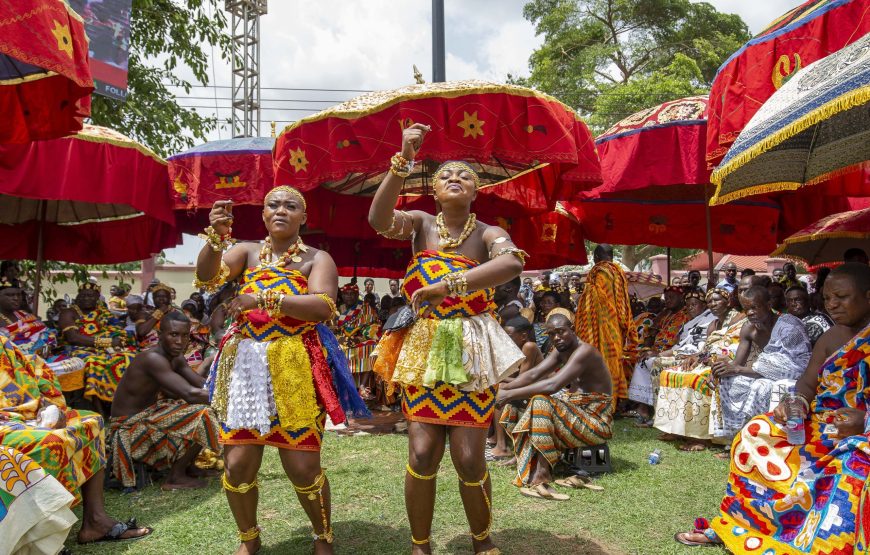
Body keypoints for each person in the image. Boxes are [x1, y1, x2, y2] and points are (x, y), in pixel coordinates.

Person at [369, 123, 525, 555]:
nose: (455, 178)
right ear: (433, 191)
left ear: (476, 191)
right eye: (445, 176)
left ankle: (483, 541)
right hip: (424, 349)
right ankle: (420, 545)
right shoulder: (419, 225)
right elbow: (379, 220)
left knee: (470, 457)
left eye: (465, 176)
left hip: (471, 351)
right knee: (421, 454)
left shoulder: (488, 233)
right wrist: (403, 160)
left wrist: (448, 287)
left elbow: (512, 263)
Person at [193, 188, 367, 554]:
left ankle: (322, 536)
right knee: (238, 464)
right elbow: (208, 277)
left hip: (295, 365)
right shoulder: (246, 252)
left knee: (303, 466)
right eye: (273, 205)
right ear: (263, 214)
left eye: (291, 206)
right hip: (246, 367)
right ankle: (249, 539)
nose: (281, 211)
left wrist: (264, 298)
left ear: (304, 217)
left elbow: (322, 307)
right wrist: (215, 238)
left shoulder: (317, 259)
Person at [675, 262, 870, 551]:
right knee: (755, 433)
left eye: (841, 297)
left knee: (852, 465)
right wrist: (798, 402)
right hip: (822, 423)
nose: (832, 305)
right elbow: (807, 382)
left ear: (868, 295)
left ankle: (815, 540)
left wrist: (864, 422)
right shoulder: (831, 338)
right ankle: (739, 524)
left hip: (860, 435)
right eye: (828, 298)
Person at [0, 335, 152, 544]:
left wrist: (47, 406)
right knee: (51, 442)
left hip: (21, 414)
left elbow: (25, 368)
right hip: (6, 421)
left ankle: (94, 521)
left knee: (91, 421)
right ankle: (43, 537)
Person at [497, 313, 613, 500]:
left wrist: (508, 393)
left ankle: (542, 473)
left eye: (561, 332)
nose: (556, 338)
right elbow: (533, 375)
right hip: (575, 417)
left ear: (573, 330)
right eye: (551, 334)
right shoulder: (561, 350)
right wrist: (503, 388)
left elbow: (553, 385)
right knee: (519, 403)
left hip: (596, 424)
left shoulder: (585, 351)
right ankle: (523, 456)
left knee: (541, 401)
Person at [109, 311, 221, 491]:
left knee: (200, 408)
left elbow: (200, 384)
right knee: (203, 413)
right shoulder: (152, 358)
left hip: (150, 415)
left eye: (185, 335)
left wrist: (225, 390)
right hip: (129, 427)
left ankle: (187, 466)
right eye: (173, 334)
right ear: (160, 336)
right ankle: (175, 477)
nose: (180, 341)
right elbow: (191, 393)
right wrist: (228, 397)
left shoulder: (175, 357)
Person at [710, 286, 811, 438]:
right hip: (762, 373)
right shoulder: (748, 328)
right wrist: (720, 371)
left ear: (769, 305)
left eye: (754, 307)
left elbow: (795, 366)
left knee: (761, 386)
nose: (749, 313)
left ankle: (762, 436)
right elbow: (737, 365)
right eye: (746, 309)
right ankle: (735, 436)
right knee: (730, 381)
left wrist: (737, 369)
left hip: (795, 376)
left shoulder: (789, 326)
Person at [653, 288, 746, 450]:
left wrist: (708, 359)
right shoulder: (713, 324)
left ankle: (699, 437)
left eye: (717, 300)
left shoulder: (739, 319)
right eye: (710, 301)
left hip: (726, 363)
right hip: (708, 360)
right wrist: (695, 357)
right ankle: (676, 429)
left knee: (694, 380)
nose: (713, 304)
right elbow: (705, 350)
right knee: (669, 374)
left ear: (728, 301)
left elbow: (735, 348)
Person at [629, 290, 714, 426]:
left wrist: (660, 354)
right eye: (688, 305)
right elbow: (678, 345)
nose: (690, 308)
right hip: (678, 353)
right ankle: (643, 408)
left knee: (656, 363)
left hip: (693, 357)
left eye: (694, 304)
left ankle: (660, 415)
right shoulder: (689, 322)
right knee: (643, 361)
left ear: (704, 305)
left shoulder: (710, 319)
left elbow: (697, 347)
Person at [573, 243, 637, 404]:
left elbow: (592, 302)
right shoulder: (619, 273)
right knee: (613, 362)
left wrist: (586, 289)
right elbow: (623, 306)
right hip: (615, 327)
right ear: (612, 257)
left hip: (597, 328)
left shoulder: (598, 272)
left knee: (598, 362)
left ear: (595, 258)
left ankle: (601, 402)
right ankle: (613, 402)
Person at [57, 282, 136, 407]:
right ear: (77, 297)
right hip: (78, 349)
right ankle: (98, 405)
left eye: (90, 295)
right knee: (94, 363)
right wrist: (107, 342)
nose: (86, 298)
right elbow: (72, 337)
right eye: (82, 295)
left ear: (97, 298)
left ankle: (124, 400)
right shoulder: (68, 313)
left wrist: (117, 339)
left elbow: (117, 330)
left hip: (107, 349)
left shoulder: (104, 313)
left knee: (129, 357)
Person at [490, 316, 544, 461]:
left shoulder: (529, 347)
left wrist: (497, 377)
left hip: (544, 391)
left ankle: (502, 446)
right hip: (529, 388)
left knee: (500, 388)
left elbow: (522, 380)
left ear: (523, 336)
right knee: (497, 386)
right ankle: (495, 439)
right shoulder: (515, 348)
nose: (505, 339)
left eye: (509, 336)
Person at [335, 282, 381, 400]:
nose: (349, 297)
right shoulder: (336, 308)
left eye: (352, 294)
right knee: (337, 349)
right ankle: (346, 388)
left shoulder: (365, 307)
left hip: (361, 339)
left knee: (372, 347)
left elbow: (373, 325)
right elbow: (333, 328)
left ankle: (362, 386)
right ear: (342, 295)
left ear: (357, 295)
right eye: (346, 294)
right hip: (341, 339)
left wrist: (360, 336)